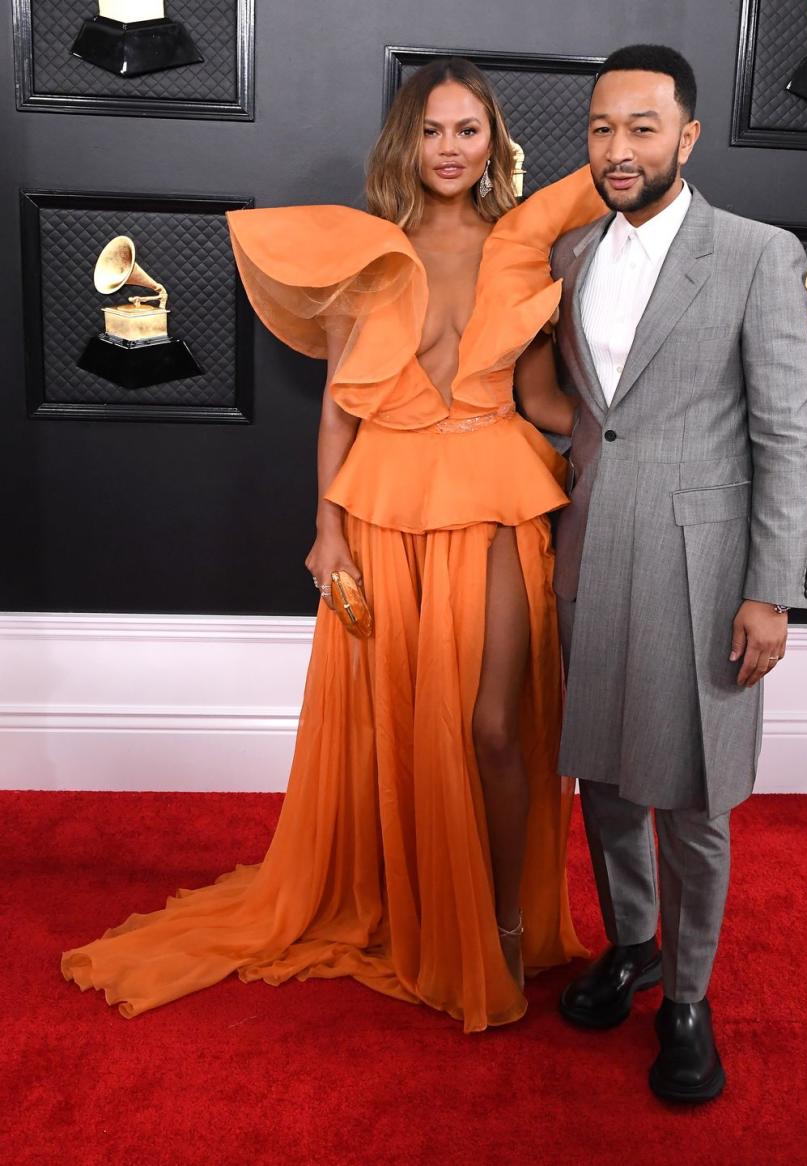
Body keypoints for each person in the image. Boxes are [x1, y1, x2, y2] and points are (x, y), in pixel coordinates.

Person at [61, 58, 608, 1032]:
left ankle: (505, 920)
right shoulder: (369, 253)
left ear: (493, 141)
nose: (450, 148)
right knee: (406, 719)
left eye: (468, 130)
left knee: (491, 724)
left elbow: (539, 395)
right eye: (433, 130)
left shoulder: (524, 248)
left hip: (497, 496)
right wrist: (325, 532)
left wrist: (632, 434)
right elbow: (338, 411)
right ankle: (423, 908)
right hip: (384, 507)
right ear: (408, 142)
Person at [551, 44, 807, 1100]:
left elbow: (788, 435)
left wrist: (772, 587)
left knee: (695, 801)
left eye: (643, 128)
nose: (620, 149)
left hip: (707, 564)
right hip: (588, 548)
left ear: (687, 137)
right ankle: (632, 942)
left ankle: (691, 998)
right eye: (603, 129)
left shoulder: (756, 252)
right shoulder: (571, 250)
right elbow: (582, 415)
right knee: (606, 778)